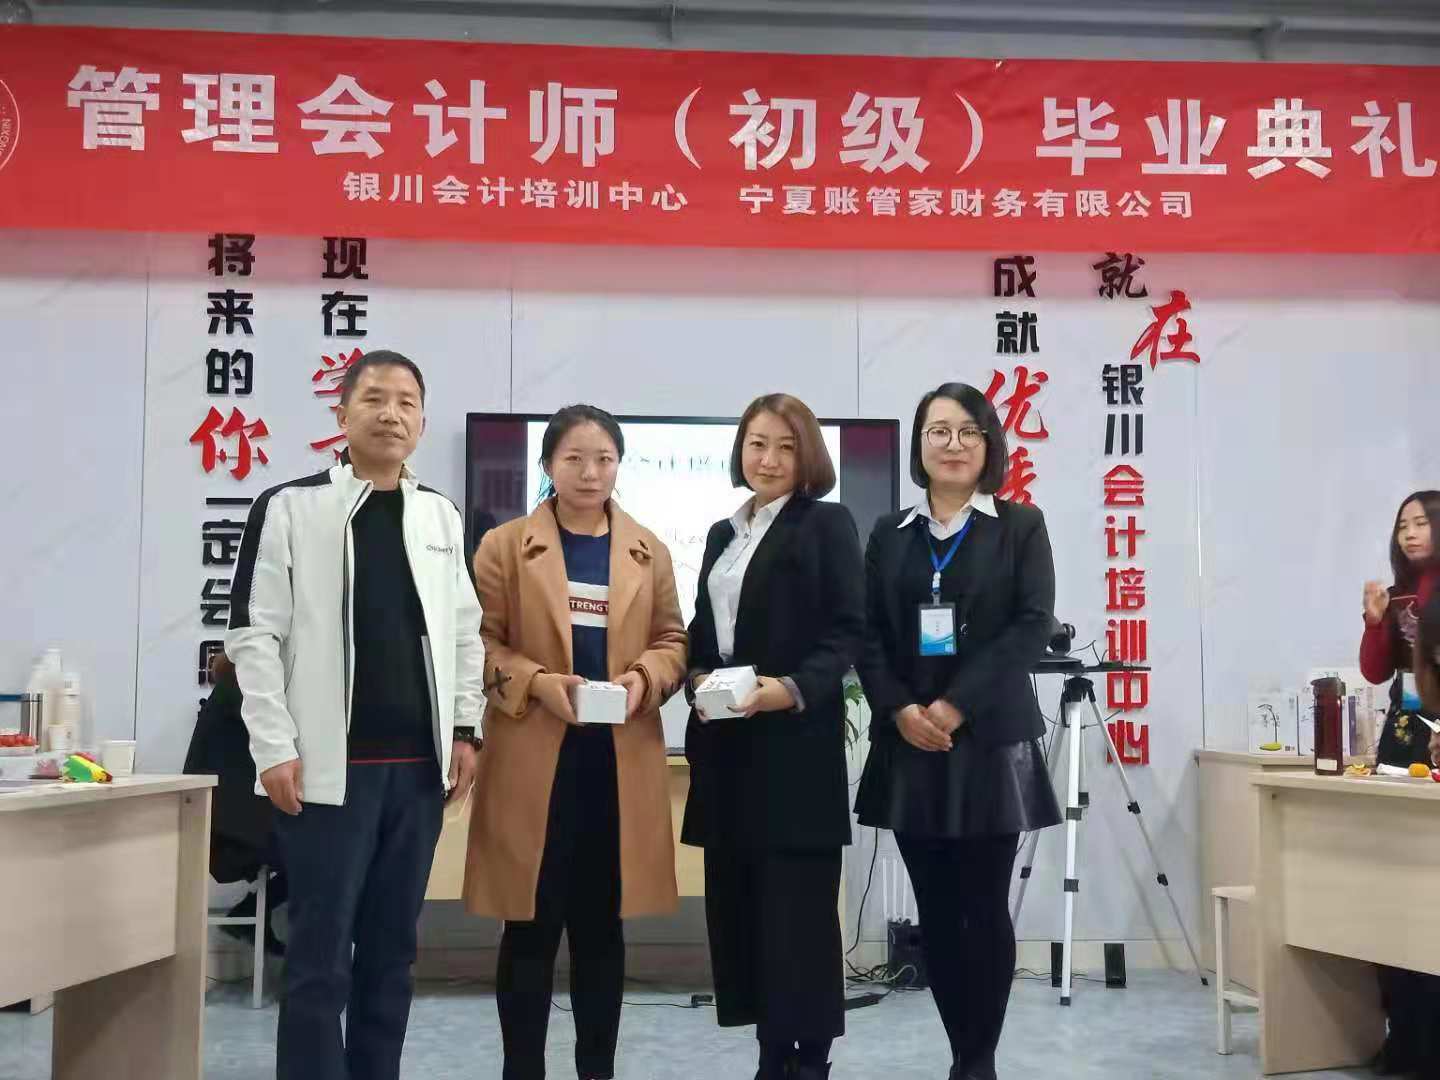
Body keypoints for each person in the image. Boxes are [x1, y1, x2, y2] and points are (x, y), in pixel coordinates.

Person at [226, 349, 485, 1080]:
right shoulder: (291, 507)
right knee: (319, 957)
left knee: (392, 953)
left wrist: (465, 731)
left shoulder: (438, 514)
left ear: (422, 421)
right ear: (341, 416)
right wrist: (274, 748)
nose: (390, 414)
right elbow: (253, 636)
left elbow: (464, 633)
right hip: (324, 775)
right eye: (374, 399)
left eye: (406, 402)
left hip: (417, 776)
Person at [464, 404, 688, 1080]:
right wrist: (536, 682)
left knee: (601, 930)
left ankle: (598, 1070)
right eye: (574, 459)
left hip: (616, 766)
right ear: (547, 465)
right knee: (528, 927)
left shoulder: (648, 549)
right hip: (533, 761)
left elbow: (673, 642)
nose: (591, 473)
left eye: (604, 459)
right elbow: (478, 644)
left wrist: (643, 679)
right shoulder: (504, 546)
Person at [854, 382, 1062, 1080]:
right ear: (919, 445)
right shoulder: (889, 533)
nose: (953, 444)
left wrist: (956, 705)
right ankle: (960, 1052)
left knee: (984, 904)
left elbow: (1031, 625)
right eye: (938, 431)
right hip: (911, 741)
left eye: (968, 431)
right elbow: (867, 635)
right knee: (937, 911)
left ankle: (978, 1063)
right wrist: (901, 710)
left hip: (990, 740)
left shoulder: (1019, 525)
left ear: (989, 443)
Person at [680, 394, 865, 1080]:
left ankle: (809, 1061)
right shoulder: (721, 534)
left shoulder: (826, 524)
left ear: (808, 454)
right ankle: (769, 1055)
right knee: (744, 912)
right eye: (757, 443)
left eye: (786, 446)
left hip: (794, 749)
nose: (769, 459)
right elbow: (704, 632)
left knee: (799, 920)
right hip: (729, 749)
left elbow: (847, 630)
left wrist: (787, 688)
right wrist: (698, 677)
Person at [183, 650, 285, 956]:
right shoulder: (246, 690)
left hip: (220, 814)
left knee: (323, 851)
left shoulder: (232, 685)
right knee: (322, 853)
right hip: (229, 823)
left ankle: (254, 913)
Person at [1361, 491, 1440, 771]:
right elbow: (1375, 672)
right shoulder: (1395, 596)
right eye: (1403, 527)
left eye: (1421, 523)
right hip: (1406, 721)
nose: (1409, 534)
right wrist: (1374, 621)